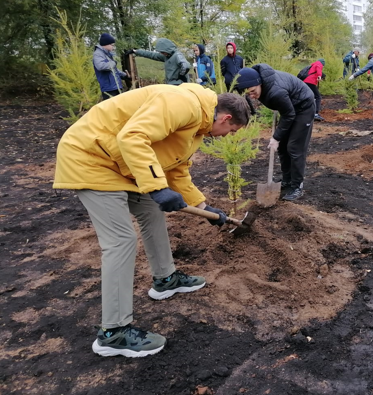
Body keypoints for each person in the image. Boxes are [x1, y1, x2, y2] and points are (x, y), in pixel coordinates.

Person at [53, 85, 252, 358]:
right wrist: (157, 188)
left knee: (151, 212)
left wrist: (205, 208)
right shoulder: (184, 104)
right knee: (120, 241)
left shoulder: (197, 126)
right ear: (225, 118)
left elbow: (177, 169)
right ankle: (114, 333)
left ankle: (165, 279)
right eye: (231, 131)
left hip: (123, 164)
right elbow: (133, 136)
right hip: (92, 157)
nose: (226, 136)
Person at [235, 65, 315, 201]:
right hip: (289, 108)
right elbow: (286, 111)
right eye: (248, 94)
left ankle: (297, 186)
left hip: (303, 107)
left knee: (294, 147)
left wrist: (276, 137)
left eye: (253, 91)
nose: (252, 96)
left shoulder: (275, 92)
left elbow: (289, 115)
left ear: (259, 83)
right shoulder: (259, 85)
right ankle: (287, 180)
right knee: (283, 147)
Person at [93, 33, 128, 101]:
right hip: (109, 89)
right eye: (112, 45)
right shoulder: (98, 54)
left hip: (115, 87)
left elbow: (113, 70)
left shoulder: (107, 54)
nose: (113, 47)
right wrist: (113, 63)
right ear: (106, 44)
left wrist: (124, 75)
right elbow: (100, 66)